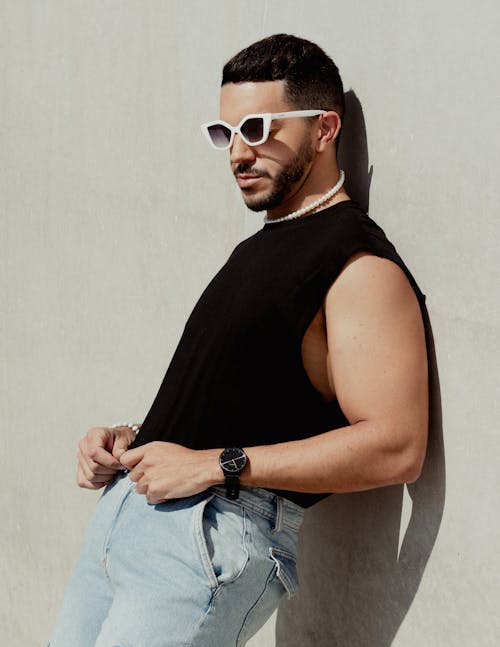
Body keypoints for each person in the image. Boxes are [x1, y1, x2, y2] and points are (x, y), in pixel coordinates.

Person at [49, 33, 428, 647]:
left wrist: (214, 465)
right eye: (226, 134)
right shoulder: (259, 246)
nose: (239, 152)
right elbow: (239, 397)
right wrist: (132, 441)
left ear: (325, 129)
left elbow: (396, 445)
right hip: (126, 525)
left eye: (258, 127)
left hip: (206, 538)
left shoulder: (357, 263)